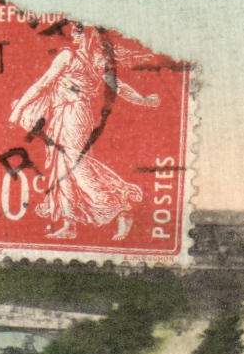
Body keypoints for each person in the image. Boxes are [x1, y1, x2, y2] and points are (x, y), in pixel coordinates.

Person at [9, 24, 159, 240]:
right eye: (74, 30)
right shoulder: (81, 57)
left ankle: (121, 207)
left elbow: (116, 86)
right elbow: (43, 84)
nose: (73, 33)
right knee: (61, 168)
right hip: (62, 115)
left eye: (79, 30)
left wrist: (18, 109)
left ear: (89, 33)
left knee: (76, 167)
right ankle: (70, 225)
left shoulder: (74, 57)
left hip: (74, 116)